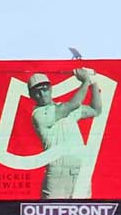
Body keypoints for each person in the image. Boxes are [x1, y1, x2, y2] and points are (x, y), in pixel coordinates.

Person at [28, 68, 104, 198]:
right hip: (58, 171)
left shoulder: (64, 108)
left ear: (50, 89)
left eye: (44, 88)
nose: (42, 93)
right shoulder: (38, 114)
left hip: (79, 169)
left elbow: (96, 110)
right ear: (32, 96)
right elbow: (73, 104)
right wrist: (85, 81)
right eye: (37, 91)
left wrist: (93, 82)